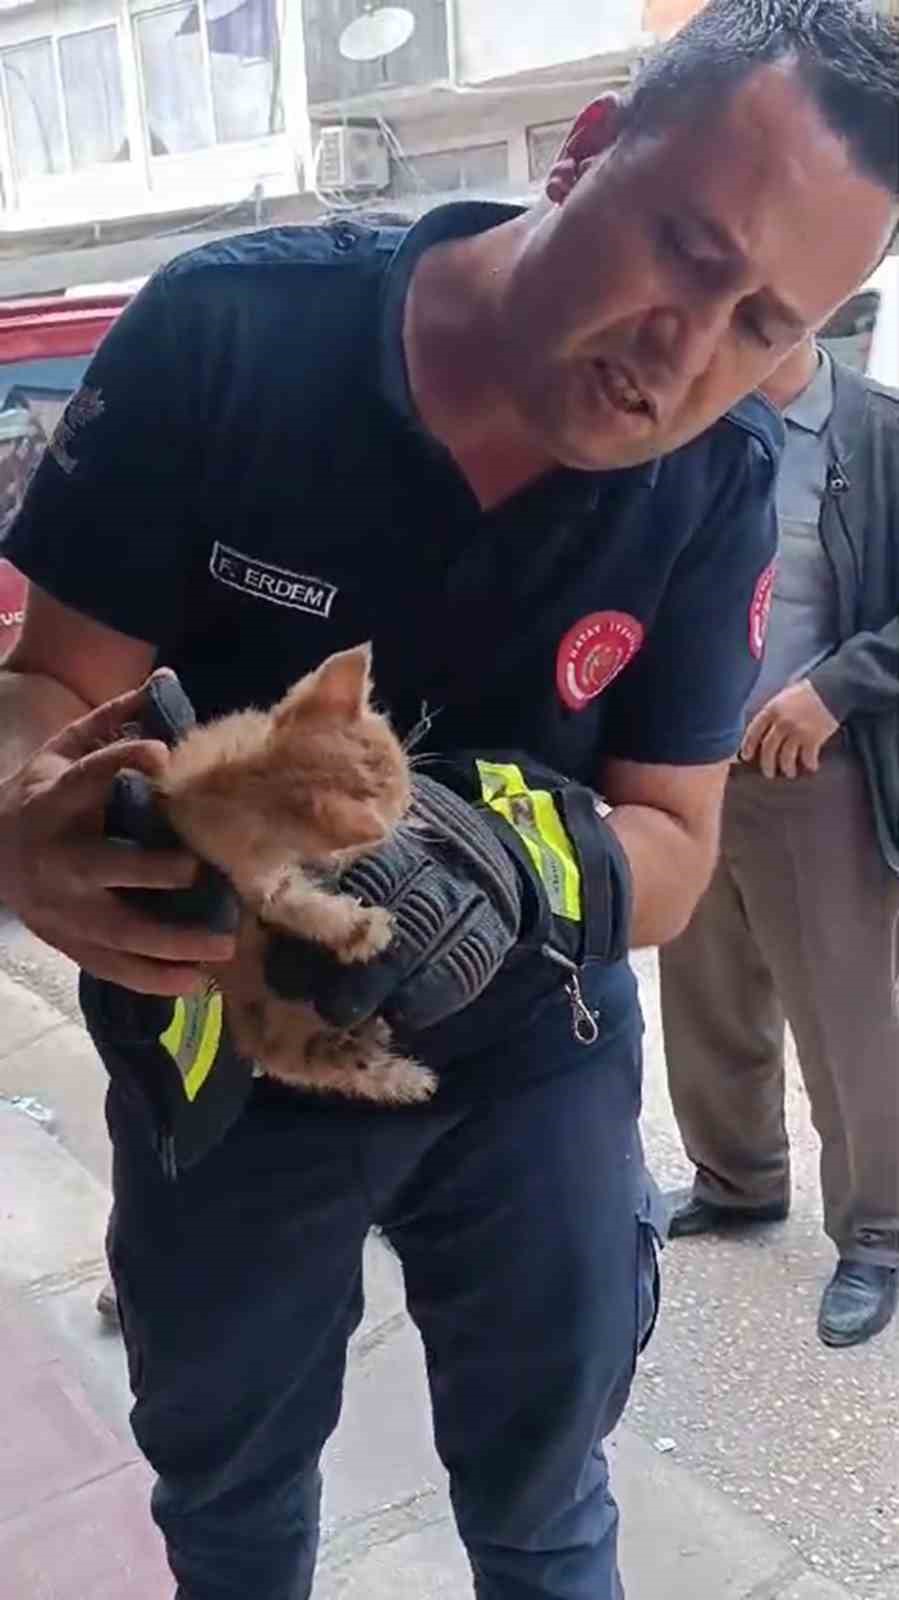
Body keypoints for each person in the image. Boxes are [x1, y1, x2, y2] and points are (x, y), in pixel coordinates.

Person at [0, 2, 896, 1595]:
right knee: (228, 1504)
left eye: (764, 323)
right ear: (584, 149)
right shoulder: (229, 335)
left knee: (545, 1513)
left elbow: (676, 848)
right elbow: (49, 691)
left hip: (526, 1069)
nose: (682, 356)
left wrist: (517, 870)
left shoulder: (715, 488)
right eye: (685, 250)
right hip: (224, 1057)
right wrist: (19, 833)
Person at [661, 332, 899, 1351]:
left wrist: (834, 689)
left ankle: (879, 1234)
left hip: (817, 775)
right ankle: (737, 1179)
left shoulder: (874, 431)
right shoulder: (681, 428)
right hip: (688, 770)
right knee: (704, 992)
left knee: (847, 1018)